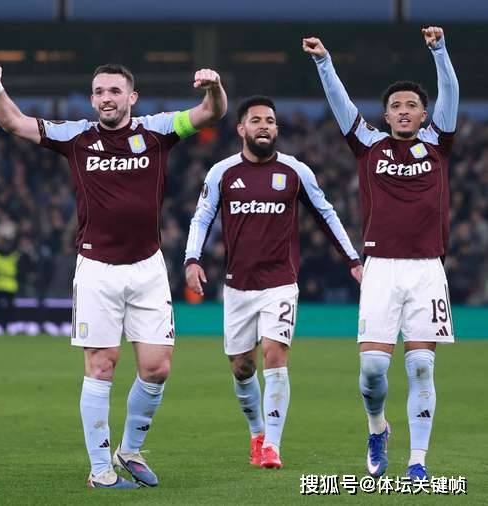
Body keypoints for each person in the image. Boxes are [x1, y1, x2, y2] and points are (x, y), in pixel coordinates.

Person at [0, 61, 226, 488]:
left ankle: (129, 450)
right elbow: (14, 122)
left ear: (132, 97)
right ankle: (100, 471)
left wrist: (214, 87)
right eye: (98, 92)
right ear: (92, 99)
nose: (106, 98)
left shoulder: (158, 130)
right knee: (101, 365)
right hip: (96, 269)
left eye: (114, 91)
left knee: (157, 367)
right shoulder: (76, 136)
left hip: (148, 267)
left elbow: (211, 112)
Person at [304, 26, 459, 481]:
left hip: (427, 269)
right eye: (396, 105)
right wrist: (323, 61)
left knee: (421, 367)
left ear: (425, 114)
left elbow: (450, 89)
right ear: (386, 115)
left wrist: (440, 51)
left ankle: (418, 461)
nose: (404, 110)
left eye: (412, 105)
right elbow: (340, 104)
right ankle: (378, 428)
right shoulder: (369, 146)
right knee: (373, 370)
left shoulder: (437, 143)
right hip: (381, 269)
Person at [184, 96, 362, 470]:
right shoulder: (222, 173)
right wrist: (192, 259)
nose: (264, 125)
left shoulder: (295, 171)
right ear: (241, 129)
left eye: (270, 120)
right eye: (256, 120)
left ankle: (272, 447)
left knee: (275, 354)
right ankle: (257, 433)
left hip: (280, 282)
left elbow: (326, 214)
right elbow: (201, 218)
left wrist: (353, 260)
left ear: (277, 129)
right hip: (237, 286)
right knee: (241, 368)